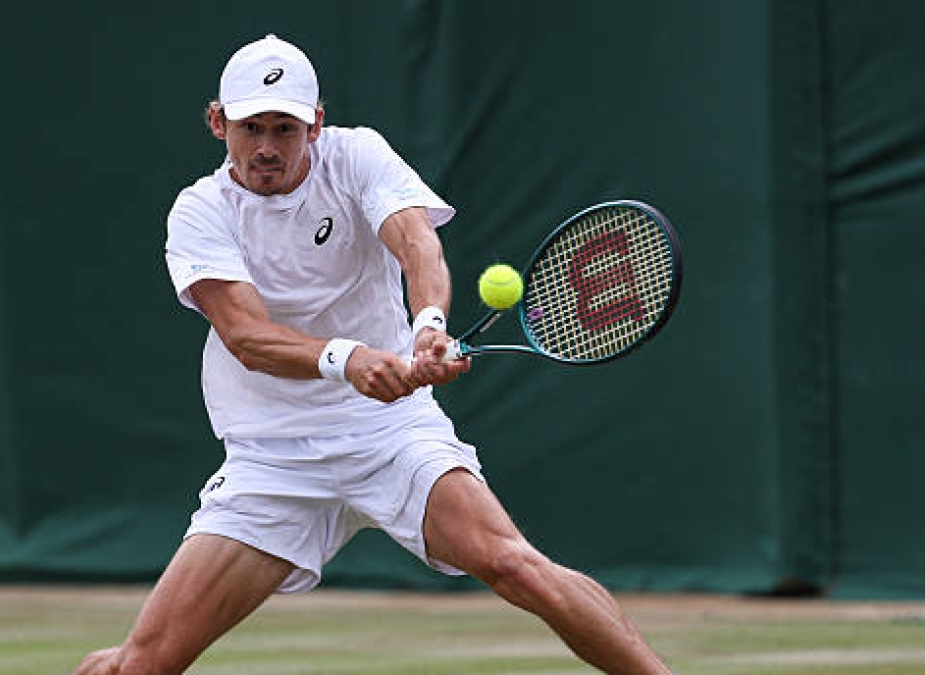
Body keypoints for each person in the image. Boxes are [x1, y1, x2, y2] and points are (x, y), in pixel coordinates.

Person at [73, 34, 672, 675]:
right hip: (273, 454)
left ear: (317, 124)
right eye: (251, 128)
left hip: (389, 432)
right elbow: (246, 337)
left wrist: (429, 325)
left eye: (285, 128)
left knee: (511, 563)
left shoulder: (356, 156)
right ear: (219, 122)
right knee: (143, 664)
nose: (268, 147)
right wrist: (348, 359)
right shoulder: (199, 212)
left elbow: (417, 243)